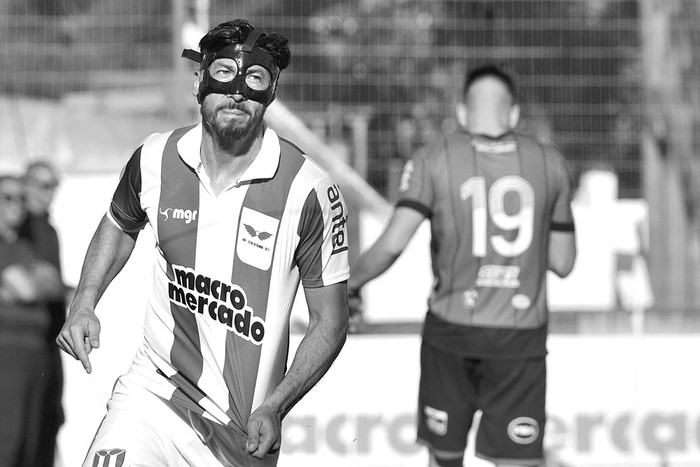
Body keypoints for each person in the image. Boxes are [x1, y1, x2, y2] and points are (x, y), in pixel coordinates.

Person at [57, 19, 350, 467]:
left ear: (271, 92)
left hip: (241, 432)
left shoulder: (308, 189)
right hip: (152, 396)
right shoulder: (154, 158)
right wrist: (84, 301)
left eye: (255, 78)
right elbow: (119, 224)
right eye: (225, 74)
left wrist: (277, 405)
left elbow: (330, 322)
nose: (237, 92)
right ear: (199, 81)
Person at [348, 64, 577, 467]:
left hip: (451, 333)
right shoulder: (549, 162)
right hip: (519, 339)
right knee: (518, 460)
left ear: (462, 112)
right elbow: (563, 262)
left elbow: (392, 244)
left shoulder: (433, 157)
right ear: (514, 114)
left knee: (445, 457)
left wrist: (350, 285)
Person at [0, 174, 64, 467]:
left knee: (31, 442)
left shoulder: (25, 245)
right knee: (9, 441)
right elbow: (29, 289)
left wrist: (29, 285)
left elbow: (50, 283)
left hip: (34, 353)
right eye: (7, 197)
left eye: (21, 198)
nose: (17, 205)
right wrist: (32, 285)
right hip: (8, 353)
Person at [19, 160, 66, 467]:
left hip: (51, 343)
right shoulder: (21, 228)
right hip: (25, 343)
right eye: (41, 185)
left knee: (50, 421)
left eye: (53, 186)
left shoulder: (48, 229)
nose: (48, 193)